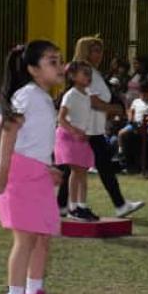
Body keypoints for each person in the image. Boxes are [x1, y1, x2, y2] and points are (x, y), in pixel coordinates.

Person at [0, 41, 66, 294]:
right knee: (25, 239)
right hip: (20, 174)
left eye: (60, 60)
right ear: (33, 69)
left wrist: (48, 167)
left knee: (42, 238)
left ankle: (34, 293)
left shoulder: (43, 96)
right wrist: (3, 169)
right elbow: (8, 128)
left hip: (37, 173)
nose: (60, 67)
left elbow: (34, 139)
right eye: (52, 62)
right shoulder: (28, 95)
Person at [55, 38, 146, 219]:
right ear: (85, 51)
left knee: (78, 168)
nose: (99, 54)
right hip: (87, 130)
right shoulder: (87, 74)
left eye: (100, 50)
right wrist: (114, 109)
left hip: (91, 128)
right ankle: (111, 204)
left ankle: (64, 206)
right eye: (95, 50)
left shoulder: (91, 73)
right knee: (90, 167)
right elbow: (93, 101)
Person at [56, 61, 99, 221]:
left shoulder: (87, 95)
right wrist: (74, 131)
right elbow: (60, 118)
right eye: (84, 73)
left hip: (81, 137)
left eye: (89, 73)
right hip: (68, 137)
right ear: (73, 76)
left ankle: (82, 206)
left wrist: (87, 132)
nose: (88, 76)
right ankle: (72, 207)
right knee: (76, 171)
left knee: (83, 173)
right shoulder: (71, 95)